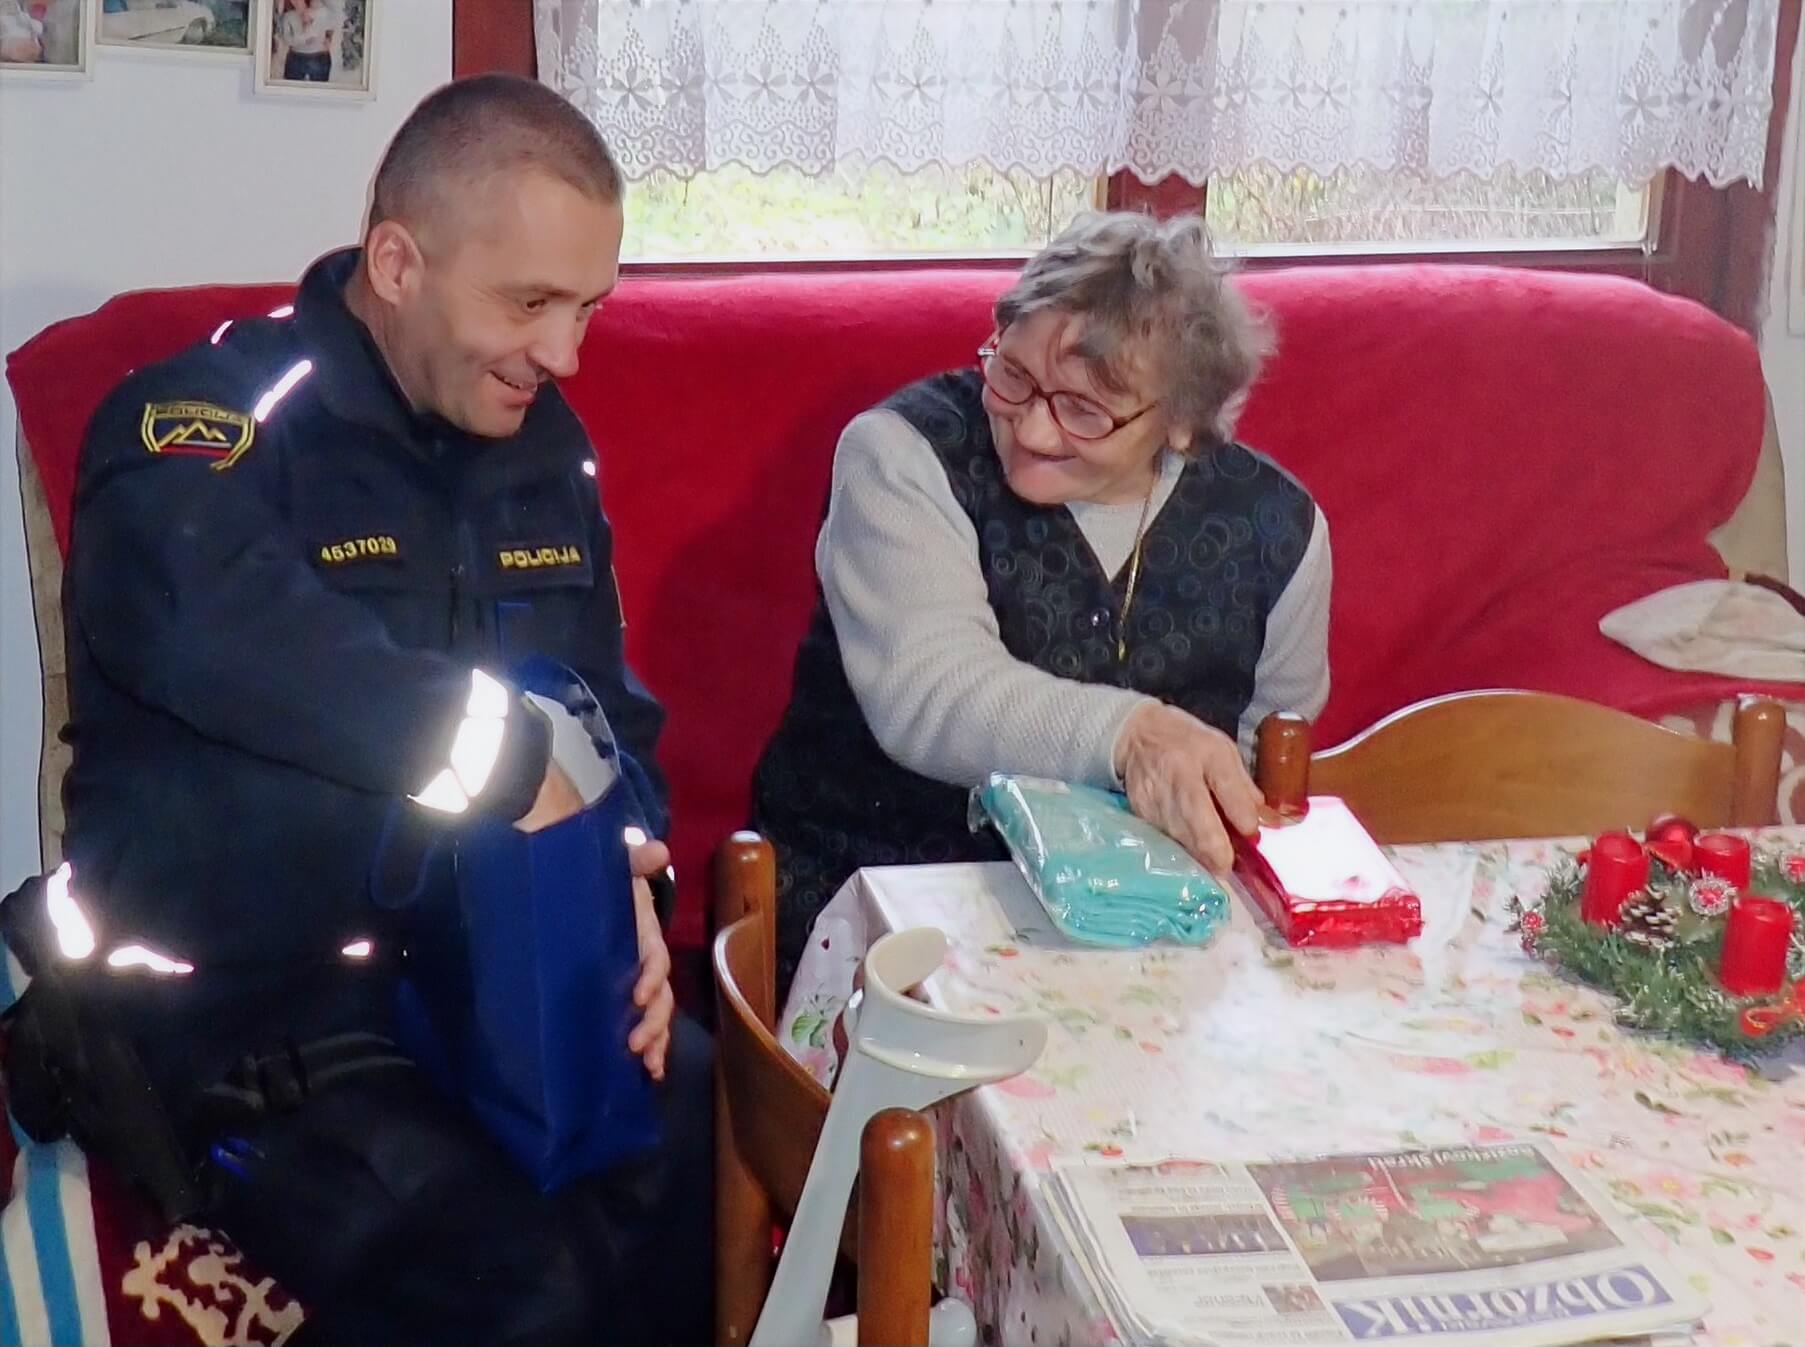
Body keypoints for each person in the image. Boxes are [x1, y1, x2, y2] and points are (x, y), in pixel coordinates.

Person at [37, 74, 710, 1345]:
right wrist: (510, 760)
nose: (565, 354)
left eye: (588, 308)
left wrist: (625, 886)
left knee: (691, 1150)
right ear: (398, 263)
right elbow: (207, 627)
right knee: (521, 1282)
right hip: (242, 996)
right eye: (529, 304)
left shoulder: (542, 447)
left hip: (482, 958)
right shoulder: (202, 422)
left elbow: (603, 717)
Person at [753, 211, 1332, 991]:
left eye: (1085, 410)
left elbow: (1271, 752)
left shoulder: (1276, 527)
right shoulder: (901, 456)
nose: (1031, 428)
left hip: (1155, 931)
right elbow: (929, 693)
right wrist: (1133, 735)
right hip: (890, 901)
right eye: (1014, 374)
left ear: (1182, 423)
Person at [273, 0, 339, 82]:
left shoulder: (321, 11)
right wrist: (304, 38)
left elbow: (333, 20)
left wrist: (328, 36)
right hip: (296, 58)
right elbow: (287, 39)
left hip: (318, 57)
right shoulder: (288, 17)